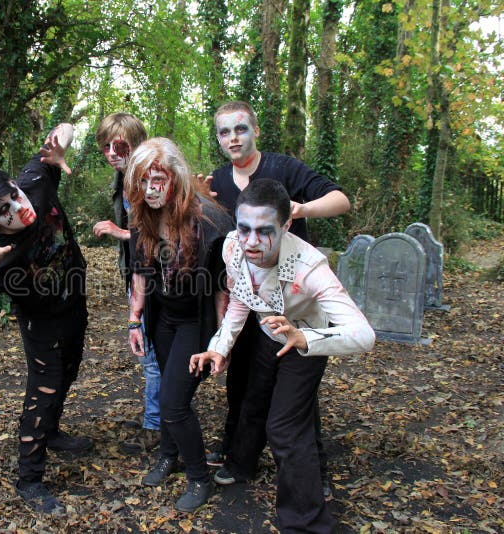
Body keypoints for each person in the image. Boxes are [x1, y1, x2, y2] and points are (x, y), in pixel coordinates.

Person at [190, 178, 375, 532]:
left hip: (306, 342)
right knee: (252, 401)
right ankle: (242, 465)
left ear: (286, 225)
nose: (251, 242)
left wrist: (304, 337)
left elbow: (364, 335)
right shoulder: (233, 247)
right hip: (266, 333)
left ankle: (308, 523)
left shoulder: (310, 266)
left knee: (286, 428)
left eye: (264, 231)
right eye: (244, 229)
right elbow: (241, 299)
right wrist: (218, 347)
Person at [207, 101, 350, 495]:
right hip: (245, 293)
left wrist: (300, 208)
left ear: (256, 130)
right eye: (224, 132)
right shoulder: (218, 180)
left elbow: (341, 200)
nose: (233, 138)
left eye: (240, 129)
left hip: (292, 300)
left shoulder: (285, 170)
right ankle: (240, 457)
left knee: (295, 388)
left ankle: (311, 468)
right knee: (243, 382)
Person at [0, 123, 91, 515]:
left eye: (13, 196)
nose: (18, 208)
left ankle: (51, 432)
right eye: (4, 210)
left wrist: (60, 147)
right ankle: (29, 479)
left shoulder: (35, 181)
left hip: (74, 300)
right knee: (44, 387)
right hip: (40, 322)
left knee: (70, 369)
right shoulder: (1, 253)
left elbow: (65, 128)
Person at [126, 137, 233, 512]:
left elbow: (224, 286)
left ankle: (200, 477)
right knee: (170, 394)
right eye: (143, 181)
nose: (151, 190)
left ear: (178, 179)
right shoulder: (142, 215)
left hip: (195, 321)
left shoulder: (208, 221)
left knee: (173, 403)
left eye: (159, 180)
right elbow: (140, 271)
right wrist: (134, 321)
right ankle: (168, 455)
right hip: (164, 318)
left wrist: (223, 340)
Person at [92, 113, 160, 454]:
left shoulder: (150, 176)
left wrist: (119, 232)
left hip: (156, 279)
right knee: (148, 348)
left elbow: (160, 232)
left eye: (119, 145)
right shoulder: (125, 177)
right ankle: (155, 415)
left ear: (136, 143)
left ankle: (156, 426)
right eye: (106, 146)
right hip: (136, 274)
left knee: (151, 351)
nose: (111, 153)